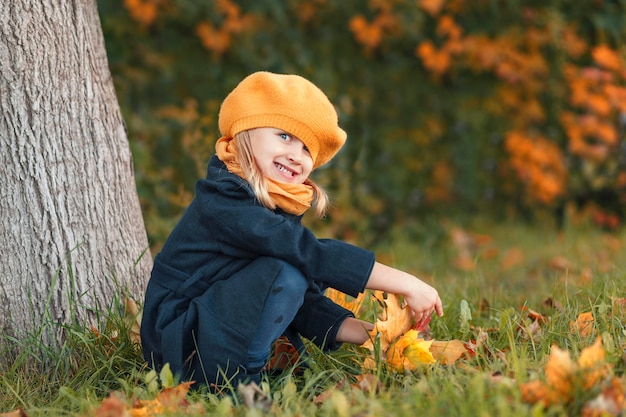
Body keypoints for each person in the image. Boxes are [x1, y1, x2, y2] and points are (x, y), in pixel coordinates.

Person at [140, 71, 443, 391]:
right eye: (284, 136)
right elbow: (305, 252)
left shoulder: (275, 203)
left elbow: (303, 300)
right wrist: (403, 281)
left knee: (289, 272)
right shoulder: (223, 197)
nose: (295, 155)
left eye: (306, 149)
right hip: (177, 344)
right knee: (288, 268)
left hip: (211, 327)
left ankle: (247, 371)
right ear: (246, 130)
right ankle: (236, 384)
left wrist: (374, 335)